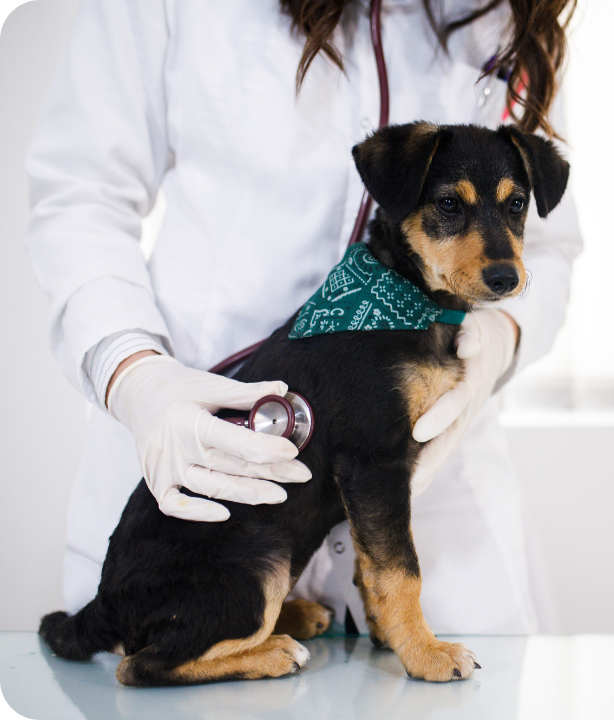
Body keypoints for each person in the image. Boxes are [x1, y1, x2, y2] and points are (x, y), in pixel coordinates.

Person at [26, 0, 581, 635]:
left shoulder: (511, 16)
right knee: (175, 645)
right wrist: (131, 372)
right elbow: (80, 194)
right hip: (201, 459)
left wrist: (495, 346)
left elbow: (552, 246)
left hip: (438, 507)